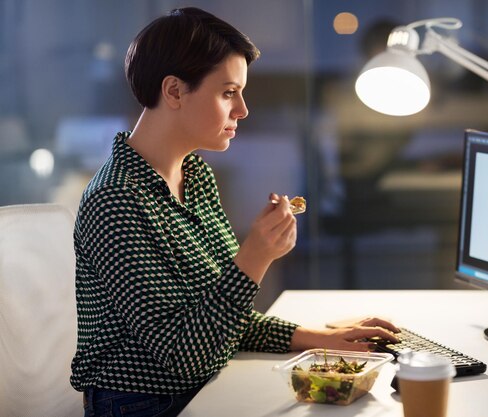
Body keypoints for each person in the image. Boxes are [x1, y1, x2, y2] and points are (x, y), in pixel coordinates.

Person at [70, 7, 399, 417]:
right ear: (173, 91)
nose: (242, 109)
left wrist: (322, 338)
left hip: (206, 385)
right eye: (228, 92)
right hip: (145, 404)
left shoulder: (196, 175)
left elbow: (220, 316)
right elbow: (182, 354)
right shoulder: (115, 201)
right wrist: (254, 258)